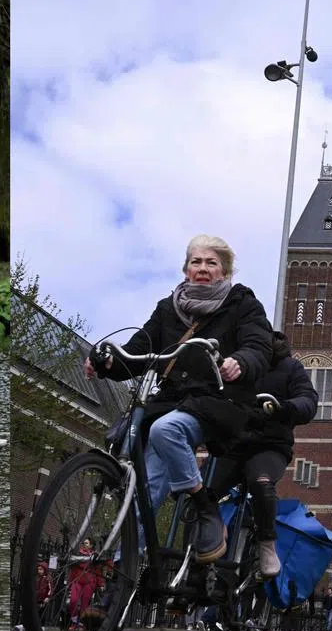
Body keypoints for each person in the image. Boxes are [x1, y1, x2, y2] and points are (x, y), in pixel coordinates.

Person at [85, 234, 272, 563]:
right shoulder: (167, 308)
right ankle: (122, 569)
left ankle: (205, 506)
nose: (203, 268)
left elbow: (259, 346)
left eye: (211, 263)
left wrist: (239, 362)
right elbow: (137, 351)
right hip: (170, 401)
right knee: (147, 487)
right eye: (196, 262)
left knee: (164, 431)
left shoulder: (243, 305)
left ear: (225, 272)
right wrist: (108, 362)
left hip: (217, 403)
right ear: (186, 269)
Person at [203, 330, 318, 576]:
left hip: (270, 444)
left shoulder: (291, 368)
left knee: (261, 481)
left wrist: (285, 407)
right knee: (198, 490)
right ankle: (202, 547)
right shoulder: (239, 361)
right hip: (233, 444)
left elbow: (308, 401)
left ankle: (267, 543)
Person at [67, 538, 103, 631]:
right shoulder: (78, 554)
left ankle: (81, 624)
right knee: (73, 601)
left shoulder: (94, 556)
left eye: (86, 543)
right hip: (77, 580)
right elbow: (72, 568)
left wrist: (101, 583)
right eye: (84, 543)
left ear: (91, 545)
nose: (84, 544)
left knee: (84, 605)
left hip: (89, 582)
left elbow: (98, 571)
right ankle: (74, 621)